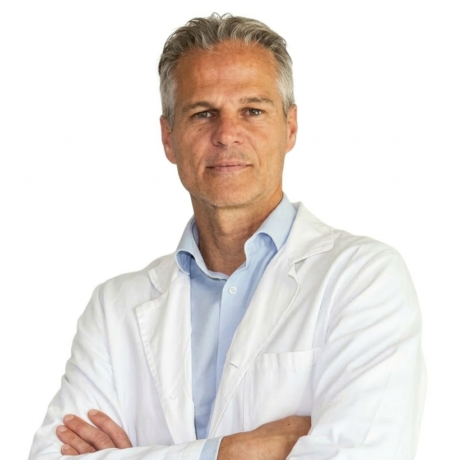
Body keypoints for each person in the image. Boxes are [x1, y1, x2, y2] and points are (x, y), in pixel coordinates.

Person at [28, 13, 426, 460]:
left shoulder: (364, 279)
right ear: (168, 138)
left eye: (252, 110)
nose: (227, 134)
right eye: (203, 114)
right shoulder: (113, 308)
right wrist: (231, 452)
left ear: (290, 127)